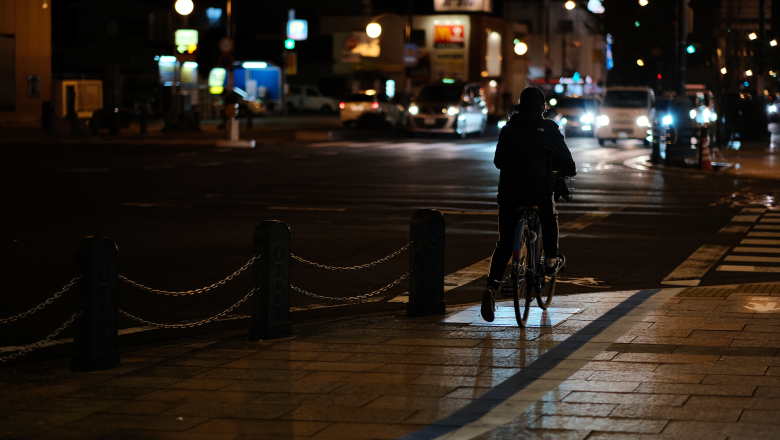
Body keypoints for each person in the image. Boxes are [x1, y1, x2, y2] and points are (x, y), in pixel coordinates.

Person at [481, 87, 577, 322]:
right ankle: (552, 260)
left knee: (504, 243)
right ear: (542, 106)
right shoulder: (548, 129)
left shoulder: (509, 128)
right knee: (549, 214)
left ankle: (491, 287)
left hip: (509, 194)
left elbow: (498, 161)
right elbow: (568, 164)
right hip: (538, 193)